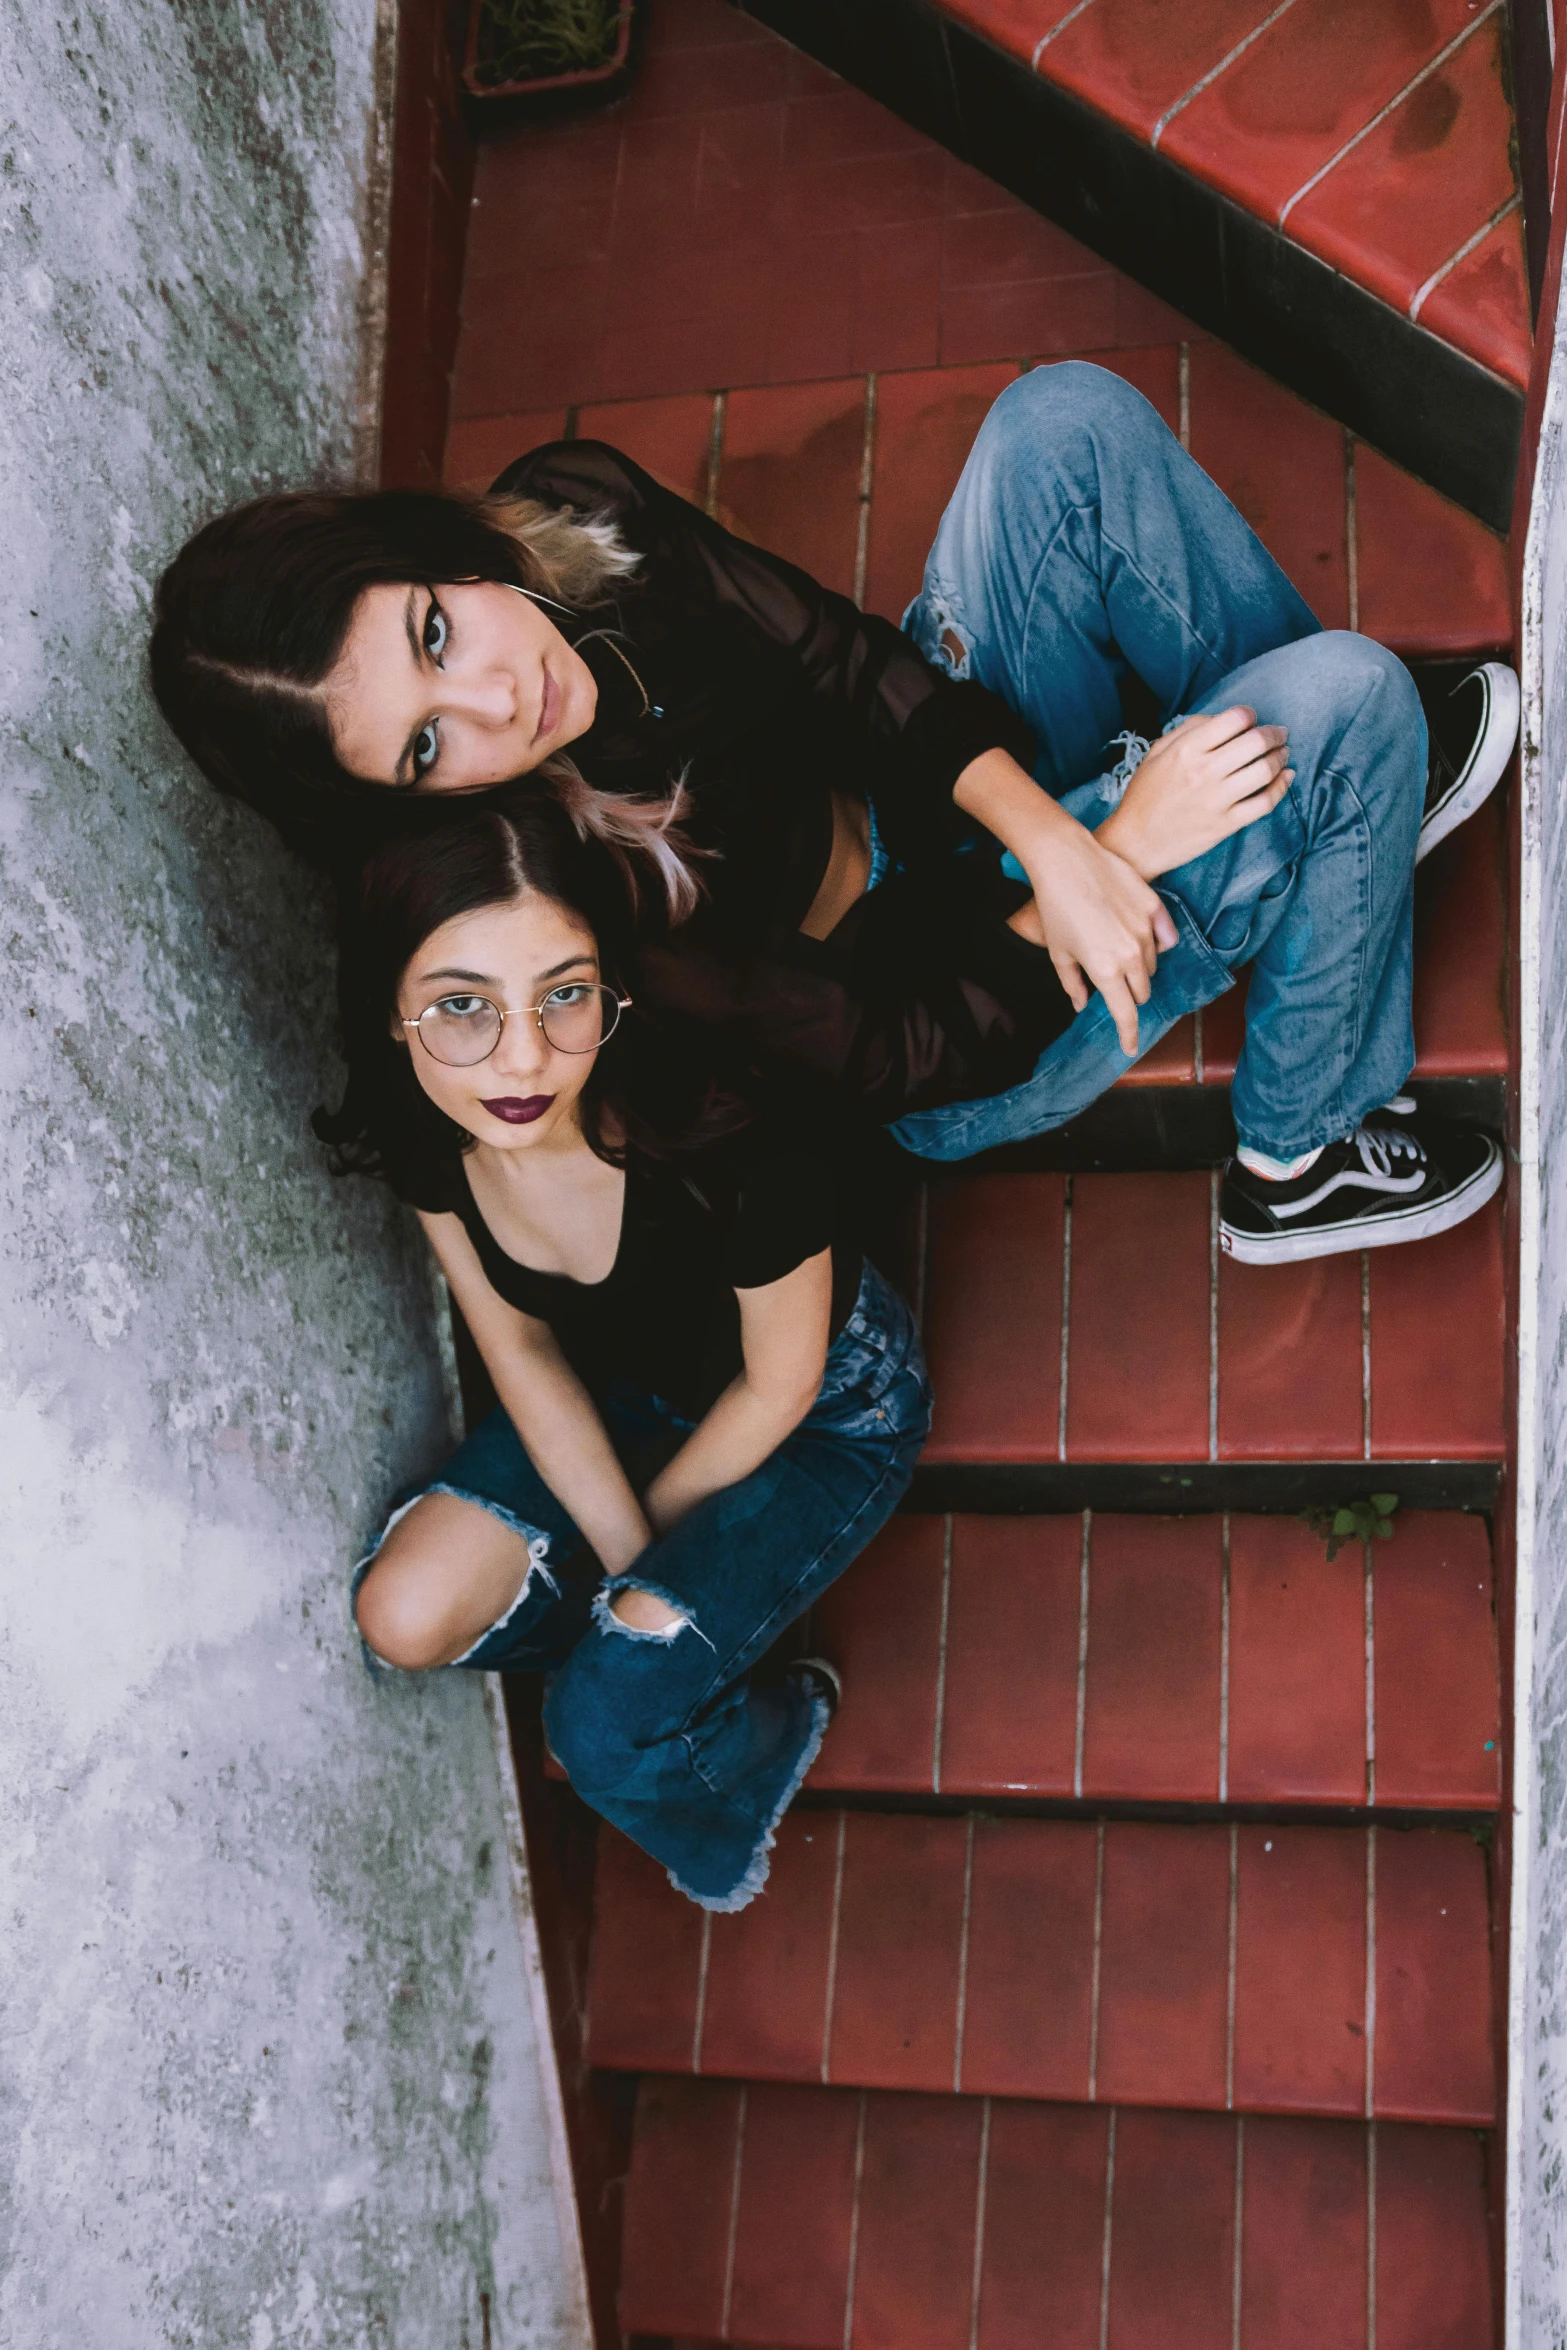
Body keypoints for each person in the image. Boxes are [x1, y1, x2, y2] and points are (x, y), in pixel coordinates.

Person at [151, 362, 1515, 1261]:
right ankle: (1302, 1145)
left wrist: (1050, 829)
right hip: (955, 1009)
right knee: (1336, 701)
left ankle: (1329, 814)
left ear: (423, 551)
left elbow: (838, 662)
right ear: (396, 805)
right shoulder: (550, 904)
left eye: (437, 631)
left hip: (938, 809)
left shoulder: (574, 510)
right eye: (426, 744)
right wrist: (1111, 852)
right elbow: (894, 1049)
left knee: (1064, 423)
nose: (501, 699)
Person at [329, 791, 929, 1910]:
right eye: (462, 1006)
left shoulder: (724, 1124)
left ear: (610, 983)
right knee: (400, 1615)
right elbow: (521, 1350)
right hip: (628, 1395)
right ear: (394, 1008)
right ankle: (675, 1649)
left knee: (598, 1733)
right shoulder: (429, 1122)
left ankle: (756, 1729)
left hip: (819, 1417)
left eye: (562, 994)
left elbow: (781, 1381)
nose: (520, 1059)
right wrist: (629, 1556)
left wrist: (644, 1566)